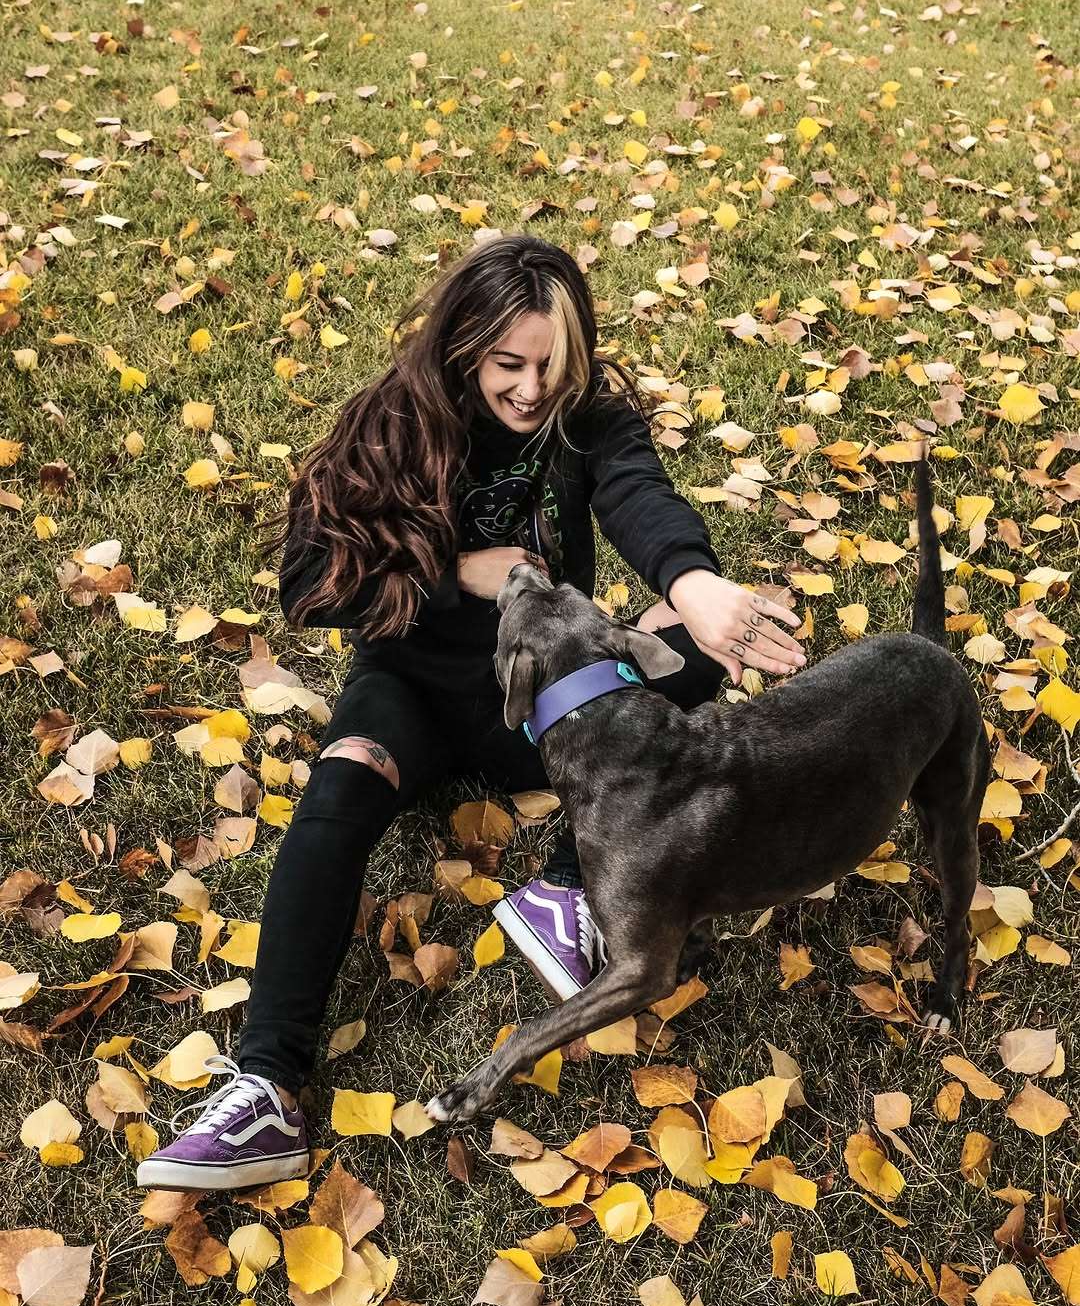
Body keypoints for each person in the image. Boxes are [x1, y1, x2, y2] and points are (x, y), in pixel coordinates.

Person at [136, 234, 806, 1191]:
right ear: (463, 348)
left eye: (550, 365)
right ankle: (265, 1088)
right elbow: (307, 580)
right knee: (339, 788)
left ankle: (566, 885)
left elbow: (637, 497)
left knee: (691, 646)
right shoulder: (393, 423)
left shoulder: (586, 421)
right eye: (508, 365)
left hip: (548, 702)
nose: (531, 389)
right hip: (411, 688)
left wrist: (693, 583)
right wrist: (456, 572)